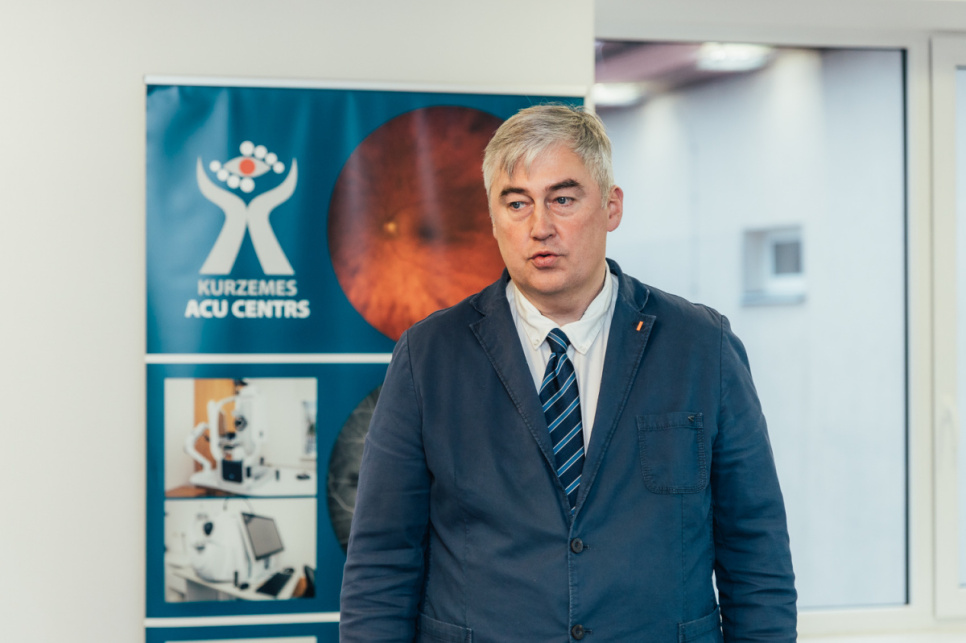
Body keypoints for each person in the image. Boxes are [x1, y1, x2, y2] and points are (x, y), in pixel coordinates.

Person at [340, 104, 797, 642]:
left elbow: (755, 551)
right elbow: (382, 561)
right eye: (517, 203)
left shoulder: (702, 346)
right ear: (492, 218)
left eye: (562, 199)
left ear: (611, 206)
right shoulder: (428, 356)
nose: (540, 227)